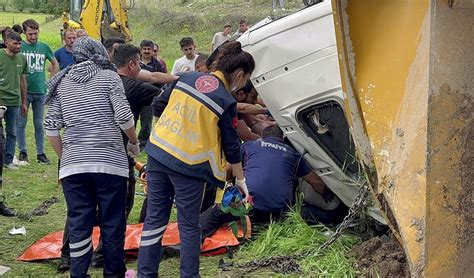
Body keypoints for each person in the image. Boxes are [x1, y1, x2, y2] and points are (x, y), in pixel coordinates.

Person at [137, 41, 255, 277]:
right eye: (246, 78)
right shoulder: (225, 100)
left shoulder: (186, 78)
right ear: (239, 74)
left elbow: (159, 105)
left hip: (159, 154)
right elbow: (232, 145)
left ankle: (145, 273)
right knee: (189, 226)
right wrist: (240, 180)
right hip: (189, 167)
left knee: (154, 221)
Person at [44, 36, 139, 277]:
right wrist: (134, 142)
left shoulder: (62, 81)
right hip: (110, 164)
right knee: (112, 222)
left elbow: (51, 128)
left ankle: (78, 273)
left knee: (79, 223)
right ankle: (113, 272)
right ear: (99, 53)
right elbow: (124, 118)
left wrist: (67, 156)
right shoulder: (109, 77)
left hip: (73, 168)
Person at [200, 123, 341, 239]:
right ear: (282, 138)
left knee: (214, 213)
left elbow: (227, 172)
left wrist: (230, 187)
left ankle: (193, 239)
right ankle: (337, 216)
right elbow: (316, 182)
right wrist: (328, 197)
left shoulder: (249, 146)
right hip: (279, 213)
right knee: (307, 212)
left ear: (262, 136)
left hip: (248, 208)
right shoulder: (293, 154)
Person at [18, 19, 59, 165]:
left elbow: (54, 63)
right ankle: (23, 151)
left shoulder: (44, 47)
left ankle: (40, 153)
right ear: (24, 33)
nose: (33, 37)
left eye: (35, 33)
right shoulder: (20, 47)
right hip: (23, 91)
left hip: (40, 91)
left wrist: (51, 81)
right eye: (30, 34)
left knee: (39, 123)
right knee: (21, 122)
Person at [0, 31, 27, 215]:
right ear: (6, 42)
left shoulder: (21, 59)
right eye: (15, 43)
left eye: (19, 44)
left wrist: (24, 101)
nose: (17, 46)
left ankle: (8, 160)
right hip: (0, 101)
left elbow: (22, 80)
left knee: (12, 133)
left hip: (15, 101)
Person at [138, 39, 164, 149]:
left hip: (149, 98)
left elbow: (161, 79)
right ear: (141, 50)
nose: (147, 51)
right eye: (144, 49)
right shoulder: (135, 62)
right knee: (131, 119)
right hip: (135, 96)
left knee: (146, 122)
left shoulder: (157, 64)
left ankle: (143, 142)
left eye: (149, 49)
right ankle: (130, 141)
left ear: (152, 50)